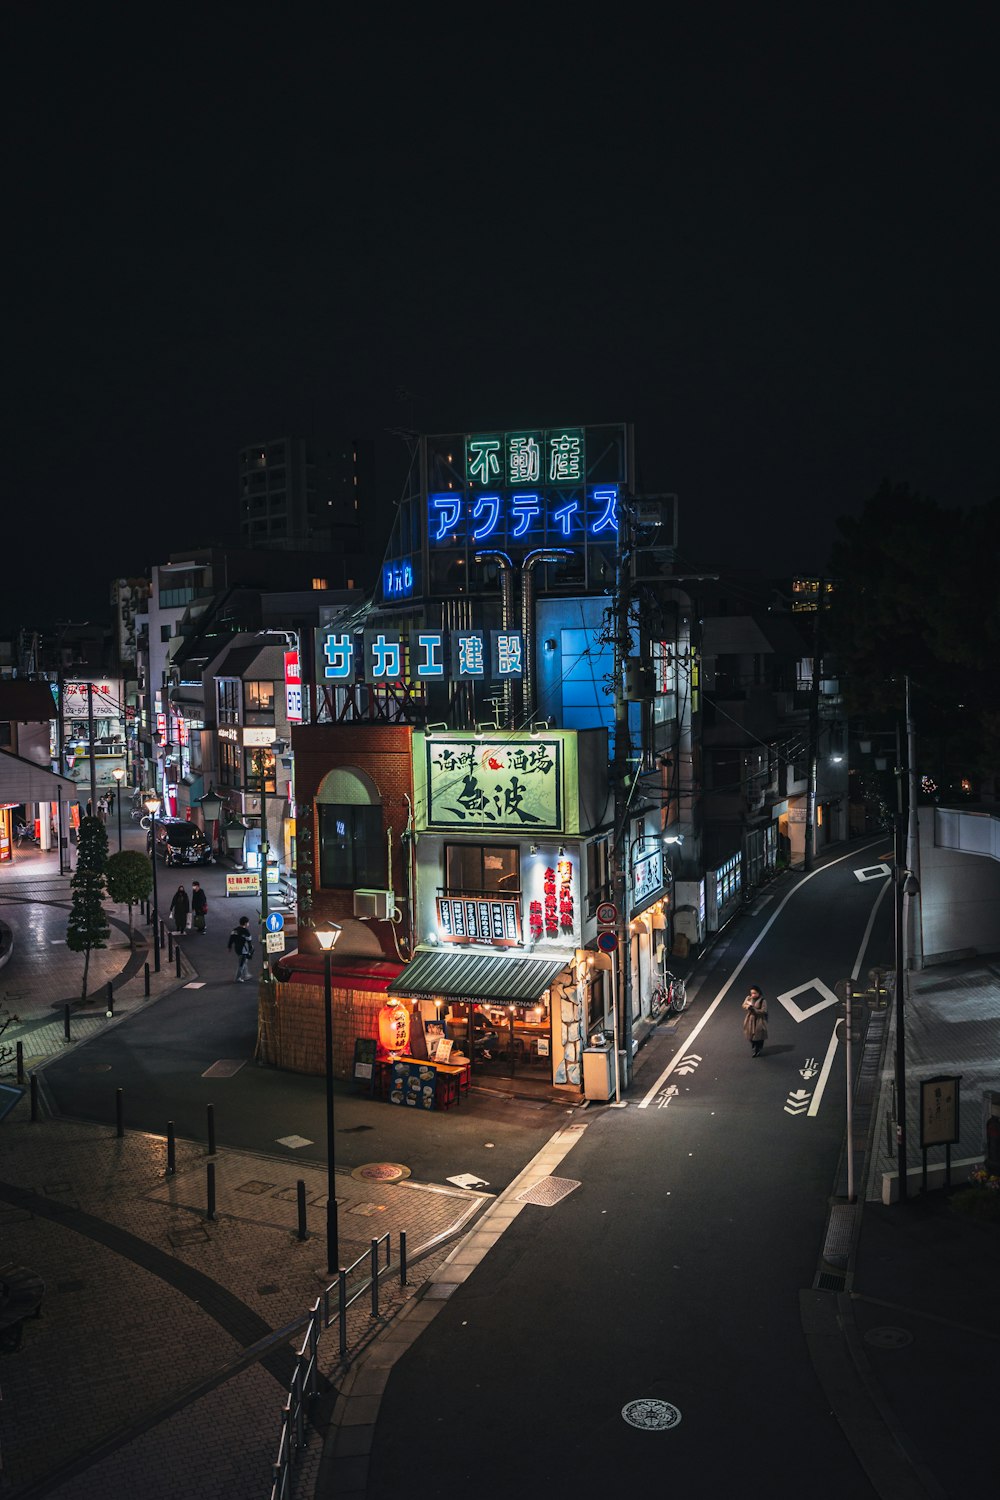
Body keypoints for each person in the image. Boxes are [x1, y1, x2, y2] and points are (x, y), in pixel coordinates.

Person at [742, 985, 768, 1057]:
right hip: (750, 1019)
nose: (753, 995)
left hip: (759, 1020)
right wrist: (748, 1007)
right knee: (750, 1035)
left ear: (758, 993)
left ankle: (757, 1049)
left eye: (755, 993)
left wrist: (754, 1009)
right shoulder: (749, 998)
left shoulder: (763, 1001)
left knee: (758, 1035)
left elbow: (764, 1011)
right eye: (752, 993)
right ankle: (755, 1046)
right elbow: (743, 1005)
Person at [228, 915, 254, 982]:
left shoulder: (235, 930)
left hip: (237, 949)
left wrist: (229, 946)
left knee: (244, 961)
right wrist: (251, 950)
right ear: (245, 923)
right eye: (248, 922)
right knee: (241, 964)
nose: (248, 924)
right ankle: (237, 978)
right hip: (243, 950)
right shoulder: (246, 931)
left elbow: (231, 939)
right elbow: (249, 942)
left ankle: (246, 974)